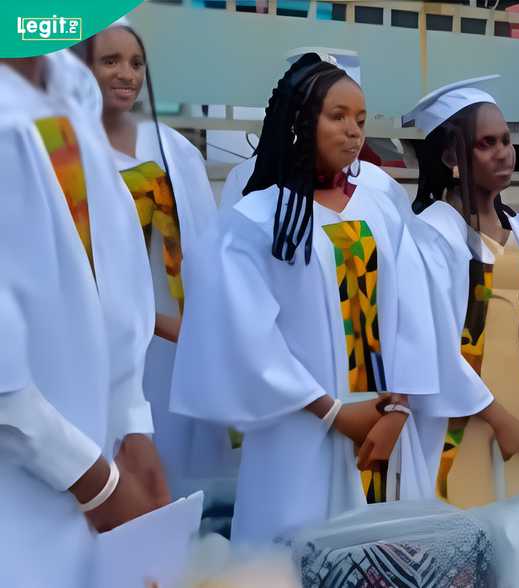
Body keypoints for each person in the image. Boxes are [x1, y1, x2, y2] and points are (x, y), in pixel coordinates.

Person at [169, 53, 440, 544]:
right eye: (337, 117)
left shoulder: (380, 209)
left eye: (360, 120)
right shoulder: (257, 220)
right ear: (300, 121)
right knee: (299, 553)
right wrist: (336, 413)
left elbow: (414, 316)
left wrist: (397, 410)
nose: (354, 132)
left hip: (385, 425)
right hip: (300, 431)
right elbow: (248, 339)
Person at [0, 51, 163, 586]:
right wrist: (96, 483)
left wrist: (132, 421)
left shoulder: (69, 93)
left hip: (92, 482)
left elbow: (112, 281)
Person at [79, 20, 233, 496]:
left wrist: (199, 331)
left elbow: (204, 253)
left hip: (167, 349)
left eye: (136, 63)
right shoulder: (60, 149)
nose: (126, 74)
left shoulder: (172, 149)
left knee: (168, 463)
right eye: (110, 61)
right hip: (94, 338)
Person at [404, 76, 519, 506]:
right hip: (465, 418)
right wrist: (498, 419)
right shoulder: (432, 234)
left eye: (507, 140)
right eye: (486, 143)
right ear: (449, 156)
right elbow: (436, 346)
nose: (504, 153)